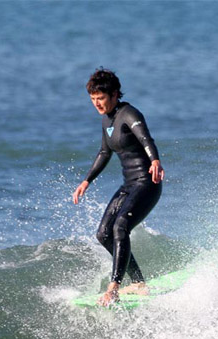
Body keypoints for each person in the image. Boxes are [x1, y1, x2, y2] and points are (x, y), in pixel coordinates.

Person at [72, 68, 165, 307]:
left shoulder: (129, 114)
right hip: (129, 185)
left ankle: (114, 287)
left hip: (147, 183)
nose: (97, 104)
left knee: (121, 225)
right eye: (93, 100)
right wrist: (87, 180)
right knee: (104, 234)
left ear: (114, 94)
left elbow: (146, 139)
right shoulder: (107, 121)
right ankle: (139, 282)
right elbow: (104, 152)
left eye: (100, 98)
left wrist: (155, 160)